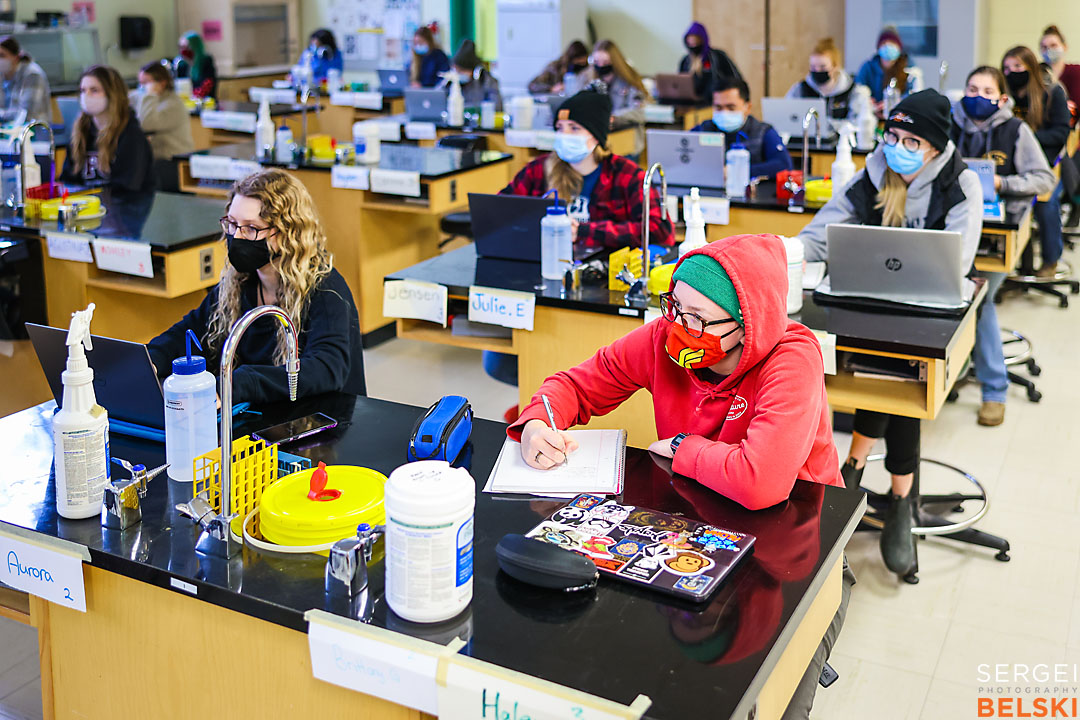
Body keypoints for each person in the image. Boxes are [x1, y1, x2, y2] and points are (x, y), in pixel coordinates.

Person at [508, 235, 850, 720]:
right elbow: (576, 384)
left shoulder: (792, 357)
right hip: (698, 531)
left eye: (700, 320)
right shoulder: (663, 341)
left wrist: (684, 449)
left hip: (797, 557)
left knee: (773, 701)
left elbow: (761, 482)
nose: (681, 329)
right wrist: (538, 420)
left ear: (747, 325)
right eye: (675, 309)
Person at [796, 90, 983, 577]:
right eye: (892, 135)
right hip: (870, 310)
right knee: (887, 373)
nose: (896, 147)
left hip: (930, 320)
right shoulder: (875, 172)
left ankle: (859, 475)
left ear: (936, 147)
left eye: (910, 140)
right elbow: (823, 232)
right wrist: (783, 252)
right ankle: (896, 497)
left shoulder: (960, 185)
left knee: (897, 372)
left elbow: (958, 264)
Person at [486, 88, 674, 389]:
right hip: (543, 280)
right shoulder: (540, 170)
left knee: (584, 353)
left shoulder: (628, 176)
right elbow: (500, 211)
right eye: (560, 129)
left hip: (599, 285)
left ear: (596, 134)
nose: (564, 135)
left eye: (574, 128)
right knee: (497, 362)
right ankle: (536, 401)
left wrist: (586, 230)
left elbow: (660, 231)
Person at [147, 169, 364, 404]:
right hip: (265, 416)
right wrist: (151, 360)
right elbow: (190, 331)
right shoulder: (239, 282)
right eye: (232, 224)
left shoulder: (326, 288)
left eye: (250, 228)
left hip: (322, 420)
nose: (237, 237)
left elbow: (327, 368)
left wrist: (241, 383)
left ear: (286, 233)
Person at [951, 66, 1055, 427]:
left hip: (1000, 232)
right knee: (961, 295)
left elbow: (1045, 178)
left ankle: (993, 388)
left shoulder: (1015, 129)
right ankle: (960, 364)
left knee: (979, 299)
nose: (978, 95)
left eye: (986, 90)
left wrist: (1002, 182)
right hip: (957, 225)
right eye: (971, 87)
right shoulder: (950, 125)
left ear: (1001, 97)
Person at [1003, 45, 1071, 278]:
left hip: (1047, 163)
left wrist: (1025, 138)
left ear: (1030, 67)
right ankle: (1011, 260)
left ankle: (1051, 260)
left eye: (1018, 66)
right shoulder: (1005, 95)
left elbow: (1061, 133)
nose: (1012, 72)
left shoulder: (1052, 92)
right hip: (1013, 164)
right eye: (1007, 68)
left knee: (1045, 202)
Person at [59, 65, 155, 194]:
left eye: (94, 90)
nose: (86, 96)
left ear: (112, 94)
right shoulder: (81, 132)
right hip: (87, 208)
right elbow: (68, 180)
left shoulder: (131, 135)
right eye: (82, 90)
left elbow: (127, 188)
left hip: (124, 210)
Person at [692, 76, 792, 180]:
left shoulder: (763, 132)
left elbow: (783, 165)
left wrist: (736, 171)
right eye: (718, 107)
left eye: (731, 107)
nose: (724, 113)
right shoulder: (703, 130)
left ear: (747, 107)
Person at [132, 62, 194, 192]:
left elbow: (146, 124)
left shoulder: (173, 104)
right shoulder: (149, 99)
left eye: (146, 83)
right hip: (156, 160)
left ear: (162, 83)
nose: (142, 87)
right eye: (140, 83)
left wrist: (150, 95)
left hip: (172, 163)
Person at [786, 37, 855, 120]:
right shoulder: (800, 89)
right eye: (813, 67)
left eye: (822, 67)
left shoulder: (851, 90)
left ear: (835, 66)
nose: (817, 70)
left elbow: (859, 121)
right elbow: (787, 115)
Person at [854, 27, 917, 116]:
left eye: (892, 43)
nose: (888, 46)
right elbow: (858, 88)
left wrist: (894, 103)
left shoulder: (909, 68)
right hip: (872, 115)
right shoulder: (868, 67)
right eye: (884, 43)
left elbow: (913, 95)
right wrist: (867, 101)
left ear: (899, 47)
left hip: (899, 116)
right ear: (878, 48)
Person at [678, 22, 741, 101]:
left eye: (696, 40)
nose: (693, 43)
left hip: (717, 101)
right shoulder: (685, 61)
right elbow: (679, 85)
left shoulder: (717, 57)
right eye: (690, 41)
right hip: (692, 104)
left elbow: (736, 78)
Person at [0, 36, 50, 124]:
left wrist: (1, 114)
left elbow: (26, 114)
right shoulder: (3, 75)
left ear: (16, 57)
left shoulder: (32, 75)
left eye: (2, 55)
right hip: (9, 132)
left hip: (33, 133)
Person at [450, 39, 502, 110]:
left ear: (472, 70)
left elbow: (497, 106)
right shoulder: (451, 83)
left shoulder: (487, 81)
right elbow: (436, 99)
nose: (458, 74)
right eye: (456, 70)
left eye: (461, 71)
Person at [1040, 25, 1080, 114]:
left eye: (1053, 45)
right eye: (1044, 47)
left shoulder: (1076, 72)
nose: (1049, 50)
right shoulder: (1037, 73)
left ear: (1064, 47)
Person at [175, 32, 217, 100]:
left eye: (186, 47)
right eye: (181, 47)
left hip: (205, 101)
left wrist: (193, 95)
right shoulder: (181, 65)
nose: (183, 50)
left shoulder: (206, 61)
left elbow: (208, 84)